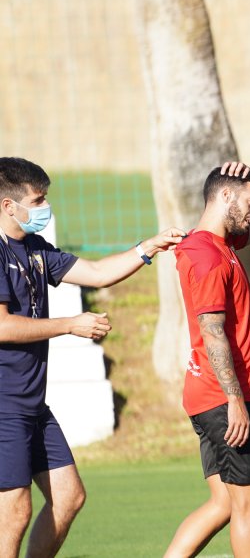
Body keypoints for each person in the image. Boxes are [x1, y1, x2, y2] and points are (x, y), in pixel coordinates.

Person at [0, 157, 184, 557]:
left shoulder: (34, 249)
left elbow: (98, 273)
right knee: (14, 512)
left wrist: (148, 247)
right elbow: (2, 326)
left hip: (31, 405)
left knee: (69, 497)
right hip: (4, 406)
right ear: (8, 206)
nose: (46, 207)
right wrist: (70, 324)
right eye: (38, 200)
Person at [165, 162, 250, 558]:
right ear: (225, 195)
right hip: (224, 398)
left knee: (225, 504)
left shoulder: (219, 246)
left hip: (208, 396)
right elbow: (213, 331)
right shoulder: (208, 256)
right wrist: (235, 400)